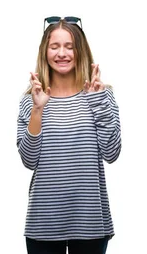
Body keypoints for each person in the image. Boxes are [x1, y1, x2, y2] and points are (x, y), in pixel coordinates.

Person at [17, 16, 121, 254]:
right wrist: (38, 109)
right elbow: (28, 160)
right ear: (45, 51)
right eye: (55, 46)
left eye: (69, 46)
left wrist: (97, 101)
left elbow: (112, 153)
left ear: (80, 51)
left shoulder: (101, 95)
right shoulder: (30, 100)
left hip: (90, 221)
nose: (62, 53)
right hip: (43, 222)